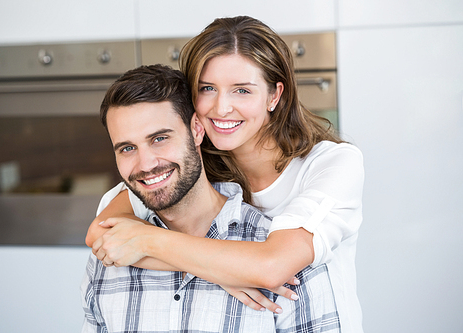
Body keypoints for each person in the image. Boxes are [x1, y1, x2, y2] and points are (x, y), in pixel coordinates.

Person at [87, 16, 364, 332]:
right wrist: (220, 272)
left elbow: (271, 267)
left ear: (275, 95)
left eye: (242, 91)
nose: (221, 108)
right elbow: (102, 235)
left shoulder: (331, 163)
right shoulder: (191, 161)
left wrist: (150, 243)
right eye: (207, 88)